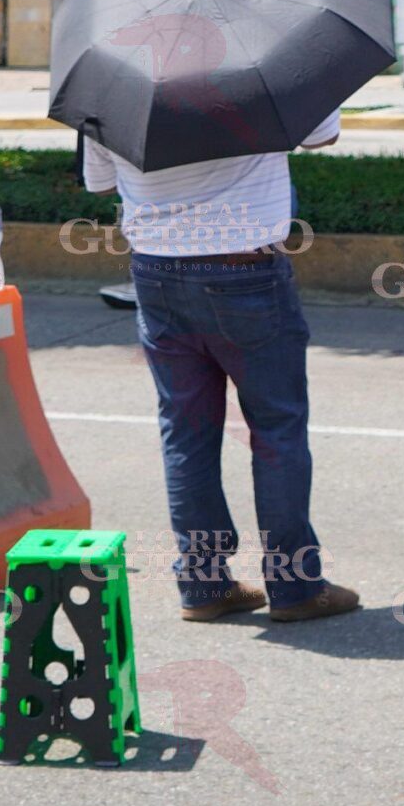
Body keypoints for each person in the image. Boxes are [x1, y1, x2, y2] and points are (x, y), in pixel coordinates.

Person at [83, 108, 358, 625]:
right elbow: (324, 134)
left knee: (186, 432)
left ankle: (203, 582)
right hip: (245, 269)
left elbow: (99, 184)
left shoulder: (109, 82)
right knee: (277, 430)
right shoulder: (258, 58)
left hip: (157, 271)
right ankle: (296, 586)